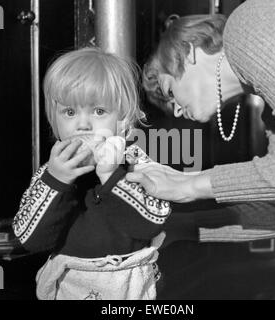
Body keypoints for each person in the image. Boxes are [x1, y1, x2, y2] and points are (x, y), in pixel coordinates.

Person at [12, 47, 171, 300]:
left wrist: (111, 175)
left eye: (99, 111)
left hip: (129, 284)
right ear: (55, 121)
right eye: (70, 112)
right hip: (70, 283)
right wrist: (57, 180)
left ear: (123, 119)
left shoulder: (136, 162)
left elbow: (151, 223)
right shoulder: (52, 171)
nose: (83, 124)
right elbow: (29, 238)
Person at [126, 0, 275, 207]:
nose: (178, 111)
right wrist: (177, 226)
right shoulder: (268, 107)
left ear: (188, 52)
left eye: (169, 91)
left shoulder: (245, 28)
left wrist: (191, 186)